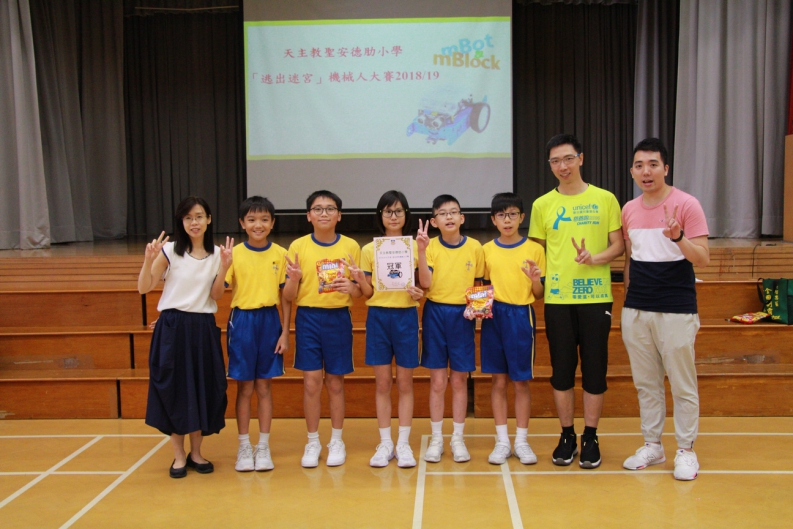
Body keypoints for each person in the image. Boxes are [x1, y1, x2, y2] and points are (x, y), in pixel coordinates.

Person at [529, 134, 624, 468]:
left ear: (580, 159)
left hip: (596, 296)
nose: (563, 166)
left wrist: (594, 258)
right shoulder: (542, 205)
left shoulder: (605, 199)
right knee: (562, 370)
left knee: (595, 369)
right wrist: (535, 277)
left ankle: (591, 436)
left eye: (568, 159)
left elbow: (619, 245)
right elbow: (536, 252)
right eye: (555, 161)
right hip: (557, 298)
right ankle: (567, 434)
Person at [620, 138, 709, 481]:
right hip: (637, 309)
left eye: (653, 164)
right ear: (632, 171)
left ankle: (686, 449)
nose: (646, 171)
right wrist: (629, 301)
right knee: (646, 383)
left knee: (682, 384)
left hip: (676, 308)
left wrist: (678, 237)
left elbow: (703, 258)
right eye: (639, 165)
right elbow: (631, 259)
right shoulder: (629, 209)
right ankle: (652, 445)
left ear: (666, 168)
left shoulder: (687, 204)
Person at [137, 196, 232, 478]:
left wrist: (224, 267)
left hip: (202, 327)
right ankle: (179, 455)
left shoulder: (217, 254)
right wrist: (148, 260)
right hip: (173, 327)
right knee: (175, 389)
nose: (194, 222)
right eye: (188, 217)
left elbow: (216, 295)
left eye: (199, 216)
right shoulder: (169, 251)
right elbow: (144, 287)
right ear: (182, 221)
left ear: (209, 219)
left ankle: (197, 452)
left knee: (203, 388)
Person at [283, 190, 362, 468]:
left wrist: (352, 286)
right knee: (311, 382)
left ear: (339, 215)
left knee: (336, 382)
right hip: (308, 318)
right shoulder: (297, 246)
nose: (324, 213)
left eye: (330, 209)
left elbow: (360, 291)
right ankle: (313, 440)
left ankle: (337, 440)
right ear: (308, 216)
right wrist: (294, 279)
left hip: (338, 318)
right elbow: (288, 295)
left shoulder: (351, 246)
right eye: (318, 209)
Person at [348, 190, 423, 469]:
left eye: (398, 211)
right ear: (380, 215)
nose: (393, 216)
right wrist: (359, 279)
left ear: (406, 215)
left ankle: (403, 443)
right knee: (382, 383)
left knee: (405, 383)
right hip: (378, 317)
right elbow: (367, 293)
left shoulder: (415, 247)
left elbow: (423, 286)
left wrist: (418, 292)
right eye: (388, 211)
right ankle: (385, 443)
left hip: (406, 317)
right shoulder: (370, 250)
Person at [224, 196, 291, 472]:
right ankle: (243, 446)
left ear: (272, 223)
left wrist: (285, 332)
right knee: (245, 387)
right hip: (242, 321)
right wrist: (222, 264)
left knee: (264, 386)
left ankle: (263, 446)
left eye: (264, 219)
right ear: (242, 223)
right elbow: (218, 288)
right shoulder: (234, 254)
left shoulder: (281, 254)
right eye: (251, 219)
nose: (258, 225)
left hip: (269, 321)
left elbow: (286, 298)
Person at [417, 194, 485, 463]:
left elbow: (478, 283)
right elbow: (425, 283)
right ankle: (437, 438)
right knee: (437, 381)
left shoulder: (475, 247)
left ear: (462, 218)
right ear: (434, 221)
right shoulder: (430, 246)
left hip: (462, 316)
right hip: (435, 312)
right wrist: (421, 251)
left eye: (453, 212)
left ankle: (458, 438)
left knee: (458, 380)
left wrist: (477, 312)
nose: (449, 217)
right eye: (443, 213)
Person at [481, 193, 545, 465]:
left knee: (520, 381)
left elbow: (539, 294)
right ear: (493, 220)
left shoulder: (535, 250)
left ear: (522, 217)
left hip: (521, 316)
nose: (507, 220)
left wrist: (535, 280)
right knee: (498, 380)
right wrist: (478, 308)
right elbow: (482, 286)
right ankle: (502, 441)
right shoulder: (486, 250)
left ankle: (521, 440)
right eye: (501, 215)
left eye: (512, 214)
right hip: (494, 316)